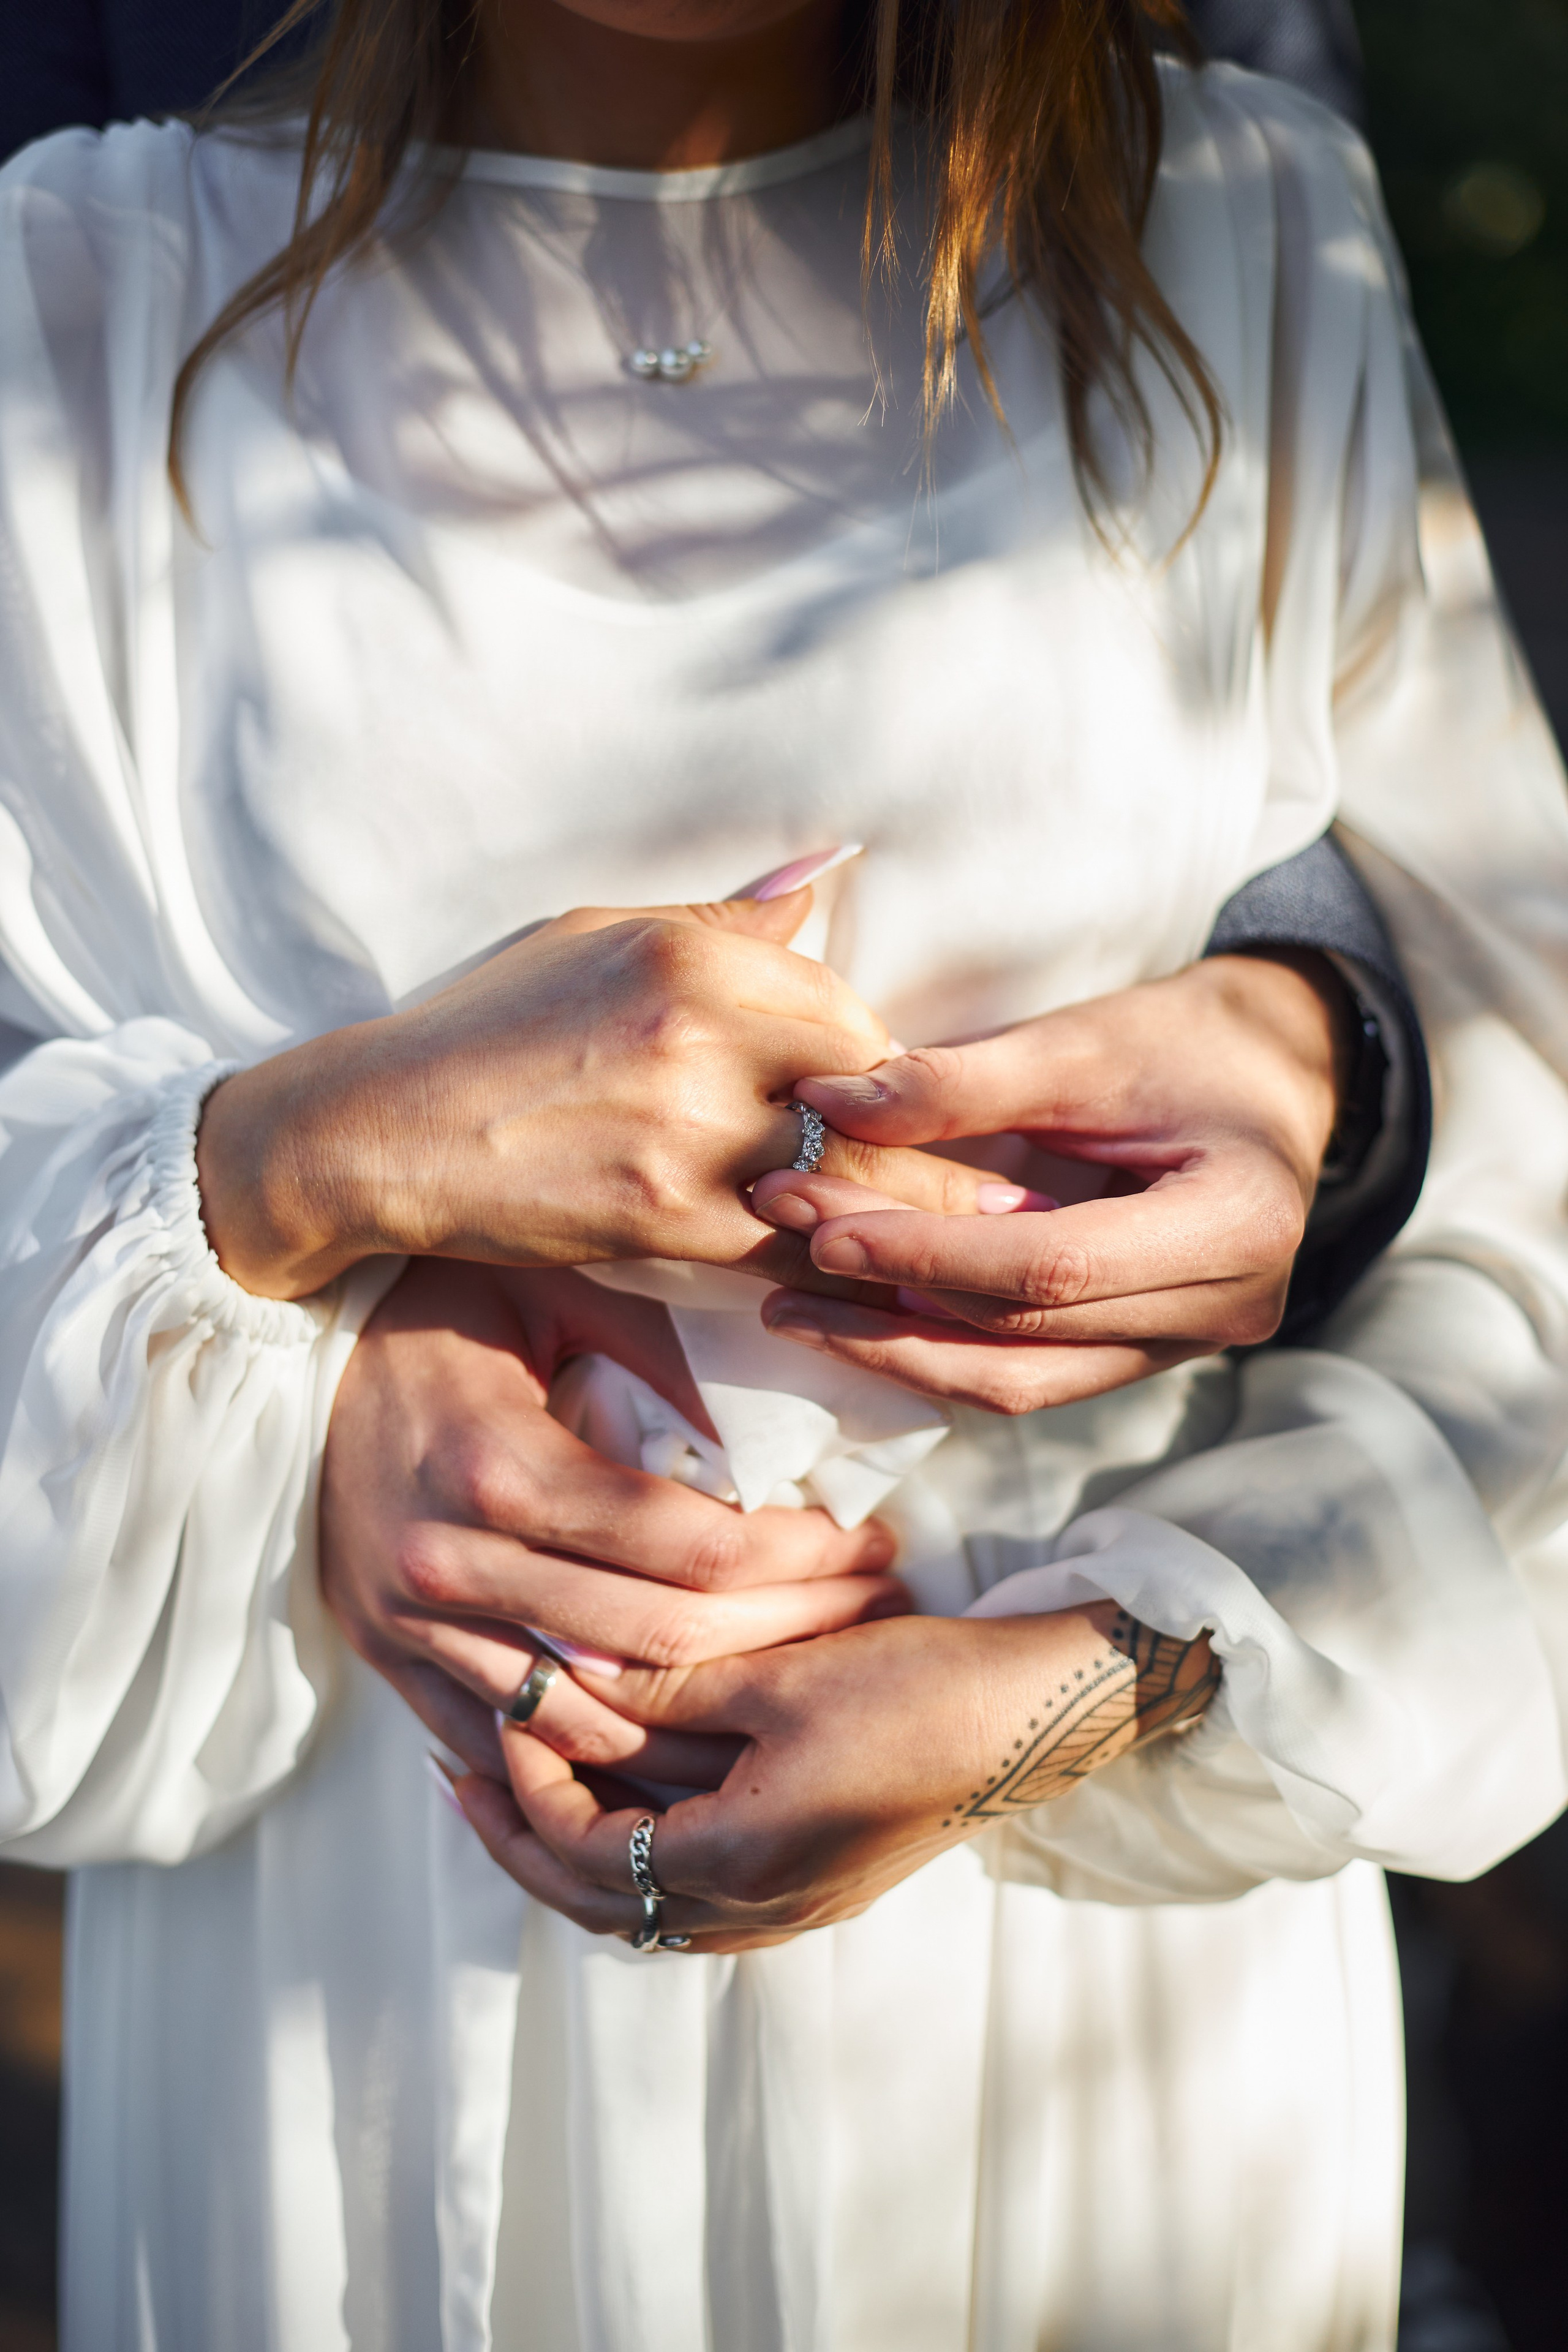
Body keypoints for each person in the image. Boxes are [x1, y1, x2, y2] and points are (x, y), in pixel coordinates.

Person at [1, 5, 1565, 2351]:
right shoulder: (76, 298)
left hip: (1092, 1995)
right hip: (350, 1991)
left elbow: (1522, 1154)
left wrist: (1089, 1680)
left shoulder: (1238, 239)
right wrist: (292, 1197)